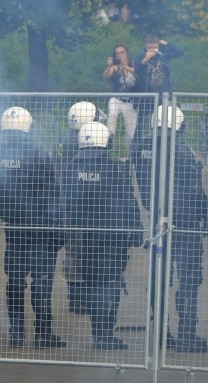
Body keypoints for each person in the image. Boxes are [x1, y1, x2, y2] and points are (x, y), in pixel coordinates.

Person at [132, 105, 208, 353]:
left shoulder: (143, 147)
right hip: (185, 223)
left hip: (158, 221)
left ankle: (160, 334)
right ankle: (187, 336)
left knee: (160, 279)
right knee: (189, 280)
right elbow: (194, 189)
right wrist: (207, 216)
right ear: (178, 123)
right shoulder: (181, 149)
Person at [0, 106, 66, 349]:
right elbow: (53, 193)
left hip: (14, 227)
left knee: (15, 280)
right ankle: (43, 333)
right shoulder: (40, 154)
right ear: (28, 127)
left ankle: (17, 333)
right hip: (42, 228)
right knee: (42, 280)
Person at [62, 122, 142, 350]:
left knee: (93, 284)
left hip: (83, 238)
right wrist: (135, 231)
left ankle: (99, 334)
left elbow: (63, 202)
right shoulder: (115, 167)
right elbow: (128, 201)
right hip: (111, 239)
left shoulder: (70, 167)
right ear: (106, 141)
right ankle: (104, 335)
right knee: (109, 286)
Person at [55, 101, 98, 316]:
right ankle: (82, 300)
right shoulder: (82, 144)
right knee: (85, 252)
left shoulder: (65, 140)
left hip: (66, 204)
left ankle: (76, 299)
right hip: (82, 205)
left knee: (74, 252)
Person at [133, 34, 184, 137]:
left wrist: (166, 43)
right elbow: (136, 70)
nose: (152, 50)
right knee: (142, 123)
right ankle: (137, 148)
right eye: (149, 47)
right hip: (147, 95)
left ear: (158, 45)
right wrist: (145, 59)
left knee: (167, 120)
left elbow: (180, 51)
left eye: (154, 47)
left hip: (164, 94)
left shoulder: (163, 55)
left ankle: (166, 143)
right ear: (145, 45)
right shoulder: (141, 55)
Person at [103, 44, 138, 152]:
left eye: (122, 52)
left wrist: (125, 67)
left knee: (131, 133)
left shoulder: (134, 64)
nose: (120, 55)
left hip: (130, 101)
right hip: (117, 98)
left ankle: (130, 156)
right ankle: (110, 137)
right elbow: (105, 76)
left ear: (127, 54)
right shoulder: (114, 67)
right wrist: (110, 66)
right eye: (117, 53)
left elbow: (139, 73)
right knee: (112, 113)